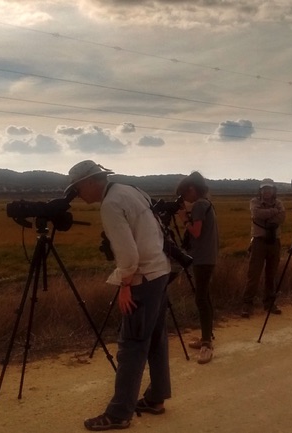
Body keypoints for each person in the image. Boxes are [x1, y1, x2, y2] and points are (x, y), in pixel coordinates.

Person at [66, 160, 172, 431]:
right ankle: (156, 398)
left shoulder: (111, 204)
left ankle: (119, 414)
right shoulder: (130, 189)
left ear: (91, 182)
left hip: (142, 277)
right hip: (160, 271)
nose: (78, 194)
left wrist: (125, 285)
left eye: (78, 188)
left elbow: (128, 255)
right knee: (156, 340)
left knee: (132, 346)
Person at [175, 171, 219, 365]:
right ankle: (206, 337)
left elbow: (196, 232)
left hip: (202, 258)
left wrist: (184, 218)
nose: (186, 199)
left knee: (201, 299)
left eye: (185, 195)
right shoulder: (207, 203)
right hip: (207, 257)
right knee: (205, 297)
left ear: (192, 189)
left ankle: (206, 345)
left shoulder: (200, 205)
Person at [241, 178, 286, 318]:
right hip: (258, 241)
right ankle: (247, 305)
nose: (267, 191)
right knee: (253, 274)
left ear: (273, 190)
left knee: (271, 274)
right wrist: (273, 212)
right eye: (264, 189)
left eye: (269, 189)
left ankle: (270, 303)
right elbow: (256, 214)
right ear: (260, 191)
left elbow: (282, 216)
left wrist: (267, 216)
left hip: (274, 241)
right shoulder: (254, 202)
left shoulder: (279, 203)